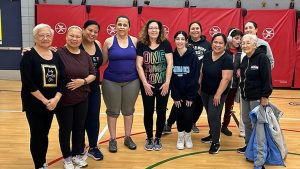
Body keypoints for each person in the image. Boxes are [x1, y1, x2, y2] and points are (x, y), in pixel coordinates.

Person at [20, 23, 65, 169]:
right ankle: (39, 165)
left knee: (44, 134)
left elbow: (63, 78)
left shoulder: (56, 55)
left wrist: (56, 99)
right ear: (35, 37)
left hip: (52, 103)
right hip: (35, 103)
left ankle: (42, 161)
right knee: (37, 134)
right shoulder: (28, 56)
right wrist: (45, 101)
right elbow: (28, 82)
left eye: (48, 35)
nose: (45, 38)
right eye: (42, 35)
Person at [56, 25, 96, 169]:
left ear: (81, 38)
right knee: (65, 129)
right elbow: (43, 57)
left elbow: (93, 74)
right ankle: (67, 158)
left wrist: (82, 81)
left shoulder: (85, 55)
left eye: (78, 36)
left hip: (82, 98)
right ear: (66, 36)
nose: (75, 39)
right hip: (64, 100)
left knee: (79, 128)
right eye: (72, 36)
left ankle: (77, 155)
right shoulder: (58, 53)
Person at [164, 21, 211, 134]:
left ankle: (192, 122)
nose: (195, 30)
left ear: (201, 30)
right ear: (189, 32)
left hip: (201, 78)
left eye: (197, 28)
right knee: (179, 102)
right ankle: (169, 123)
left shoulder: (207, 44)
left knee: (198, 103)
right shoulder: (184, 41)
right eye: (193, 28)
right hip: (184, 77)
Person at [102, 16, 140, 153]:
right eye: (119, 24)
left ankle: (127, 137)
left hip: (132, 81)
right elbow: (102, 61)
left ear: (129, 27)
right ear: (115, 26)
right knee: (112, 111)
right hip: (111, 81)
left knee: (128, 111)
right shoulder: (108, 41)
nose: (122, 27)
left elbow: (140, 62)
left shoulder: (135, 41)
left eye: (125, 25)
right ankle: (113, 139)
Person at [136, 19, 173, 151]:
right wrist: (145, 84)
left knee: (162, 112)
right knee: (148, 112)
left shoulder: (166, 44)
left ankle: (158, 138)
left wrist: (167, 82)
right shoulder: (141, 44)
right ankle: (149, 138)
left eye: (156, 28)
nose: (153, 30)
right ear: (147, 30)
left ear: (160, 30)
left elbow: (170, 63)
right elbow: (139, 65)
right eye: (151, 28)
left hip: (163, 85)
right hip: (148, 86)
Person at [237, 34, 272, 154]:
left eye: (248, 43)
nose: (245, 45)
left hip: (257, 97)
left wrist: (265, 97)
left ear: (255, 44)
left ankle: (258, 149)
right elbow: (243, 78)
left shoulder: (262, 58)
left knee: (257, 124)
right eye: (243, 43)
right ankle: (249, 146)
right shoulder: (244, 59)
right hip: (245, 96)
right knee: (246, 121)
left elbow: (267, 80)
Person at [200, 33, 233, 154]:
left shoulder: (227, 58)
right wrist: (199, 86)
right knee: (211, 115)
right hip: (205, 91)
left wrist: (218, 94)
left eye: (220, 43)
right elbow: (202, 72)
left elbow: (226, 79)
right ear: (212, 42)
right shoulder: (207, 54)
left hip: (218, 93)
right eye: (215, 42)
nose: (217, 45)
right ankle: (212, 134)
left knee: (213, 116)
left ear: (225, 45)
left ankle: (216, 142)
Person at [171, 31, 199, 150]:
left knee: (188, 116)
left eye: (183, 39)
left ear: (186, 41)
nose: (180, 41)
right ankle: (180, 137)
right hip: (178, 93)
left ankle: (188, 136)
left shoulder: (193, 56)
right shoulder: (172, 56)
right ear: (175, 40)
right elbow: (170, 77)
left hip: (189, 94)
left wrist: (190, 96)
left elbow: (195, 77)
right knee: (179, 115)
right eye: (178, 39)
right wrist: (175, 95)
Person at [80, 20, 104, 160]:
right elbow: (59, 54)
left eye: (95, 32)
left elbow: (102, 61)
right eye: (90, 30)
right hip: (79, 88)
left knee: (93, 118)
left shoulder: (98, 44)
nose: (92, 33)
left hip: (94, 88)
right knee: (79, 119)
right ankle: (80, 145)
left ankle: (93, 147)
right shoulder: (76, 43)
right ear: (83, 30)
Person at [221, 28, 243, 136]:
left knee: (229, 107)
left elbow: (246, 64)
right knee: (218, 107)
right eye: (236, 38)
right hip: (222, 85)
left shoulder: (242, 52)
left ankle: (224, 126)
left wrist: (241, 68)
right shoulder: (223, 51)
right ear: (230, 39)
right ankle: (214, 128)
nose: (239, 41)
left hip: (234, 86)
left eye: (240, 38)